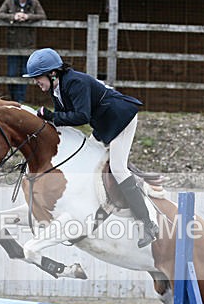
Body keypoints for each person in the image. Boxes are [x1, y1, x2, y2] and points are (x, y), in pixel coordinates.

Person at [23, 48, 159, 248]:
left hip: (121, 119)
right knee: (88, 155)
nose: (36, 82)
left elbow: (81, 116)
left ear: (52, 73)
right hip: (104, 123)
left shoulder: (75, 82)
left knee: (118, 169)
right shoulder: (56, 88)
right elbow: (64, 117)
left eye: (38, 78)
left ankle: (148, 224)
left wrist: (51, 116)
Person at [0, 0, 46, 102]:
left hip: (28, 45)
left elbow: (42, 15)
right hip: (12, 44)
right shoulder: (9, 2)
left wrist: (28, 17)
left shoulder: (34, 3)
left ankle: (20, 100)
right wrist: (14, 17)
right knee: (12, 73)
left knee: (25, 73)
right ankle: (12, 99)